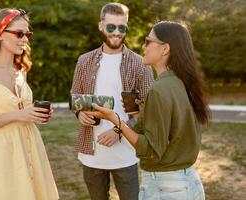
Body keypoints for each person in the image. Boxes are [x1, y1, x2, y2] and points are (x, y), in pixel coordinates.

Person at [88, 21, 210, 200]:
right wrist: (140, 114)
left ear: (165, 49)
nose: (143, 46)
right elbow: (171, 132)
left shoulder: (159, 90)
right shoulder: (182, 82)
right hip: (188, 183)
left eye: (148, 41)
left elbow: (151, 150)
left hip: (166, 188)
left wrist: (114, 119)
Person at [0, 8, 58, 200]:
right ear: (0, 33)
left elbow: (22, 113)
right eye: (19, 33)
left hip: (31, 150)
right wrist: (18, 115)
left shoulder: (21, 69)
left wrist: (34, 114)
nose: (25, 39)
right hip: (0, 156)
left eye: (27, 34)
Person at [71, 2, 153, 200]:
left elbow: (150, 111)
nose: (116, 32)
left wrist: (119, 130)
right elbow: (75, 96)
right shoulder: (84, 61)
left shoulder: (141, 64)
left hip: (125, 154)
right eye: (111, 27)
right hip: (91, 153)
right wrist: (80, 112)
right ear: (101, 26)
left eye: (121, 27)